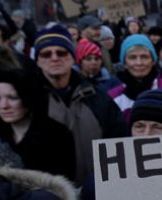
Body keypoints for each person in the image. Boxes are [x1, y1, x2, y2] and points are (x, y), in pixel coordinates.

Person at [33, 24, 126, 184]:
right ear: (38, 61)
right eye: (46, 54)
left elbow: (120, 145)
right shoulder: (28, 102)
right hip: (49, 198)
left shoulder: (98, 98)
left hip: (98, 192)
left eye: (61, 53)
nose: (54, 58)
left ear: (72, 57)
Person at [0, 68, 76, 181]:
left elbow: (63, 184)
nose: (4, 106)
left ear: (28, 97)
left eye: (13, 97)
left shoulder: (57, 135)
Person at [107, 34, 162, 120]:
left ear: (153, 61)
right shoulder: (112, 97)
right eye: (132, 57)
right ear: (125, 63)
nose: (139, 63)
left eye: (144, 57)